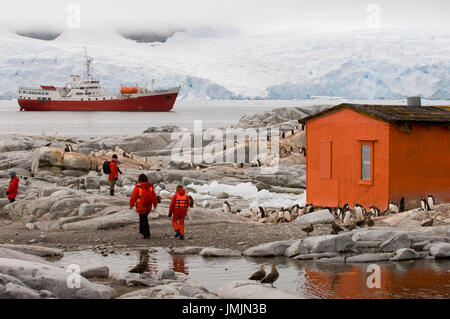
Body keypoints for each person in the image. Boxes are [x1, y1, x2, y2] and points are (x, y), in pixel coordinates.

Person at [129, 174, 158, 239]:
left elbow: (133, 196)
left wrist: (131, 205)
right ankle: (143, 233)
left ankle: (146, 234)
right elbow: (154, 196)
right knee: (145, 219)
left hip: (140, 205)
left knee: (143, 219)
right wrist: (155, 204)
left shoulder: (138, 186)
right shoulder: (149, 186)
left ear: (140, 180)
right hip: (148, 205)